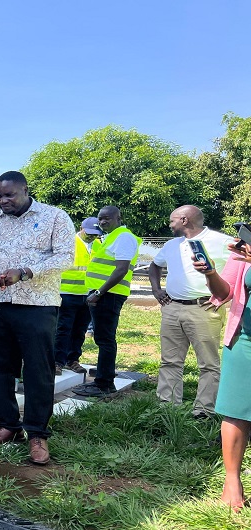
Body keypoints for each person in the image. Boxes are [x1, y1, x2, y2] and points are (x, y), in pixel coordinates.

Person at [0, 171, 75, 465]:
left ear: (25, 190)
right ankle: (7, 426)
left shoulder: (54, 216)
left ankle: (37, 433)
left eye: (9, 195)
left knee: (38, 371)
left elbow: (66, 256)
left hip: (37, 305)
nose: (3, 201)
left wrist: (26, 272)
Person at [149, 205, 233, 418]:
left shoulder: (221, 242)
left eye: (172, 220)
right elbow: (154, 266)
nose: (170, 225)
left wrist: (225, 296)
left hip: (204, 308)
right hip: (172, 308)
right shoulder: (171, 245)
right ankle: (167, 407)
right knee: (170, 361)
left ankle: (204, 410)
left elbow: (242, 269)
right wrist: (157, 290)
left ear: (184, 220)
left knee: (208, 364)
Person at [193, 235, 251, 511]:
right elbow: (225, 292)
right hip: (245, 341)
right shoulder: (244, 252)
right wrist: (210, 272)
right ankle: (232, 481)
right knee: (237, 410)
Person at [72, 206, 140, 397]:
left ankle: (103, 384)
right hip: (104, 294)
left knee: (105, 339)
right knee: (103, 339)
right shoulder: (111, 237)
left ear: (119, 218)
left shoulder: (123, 237)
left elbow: (121, 269)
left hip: (109, 295)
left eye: (107, 218)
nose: (102, 222)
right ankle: (104, 381)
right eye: (100, 219)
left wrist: (99, 292)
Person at [54, 217, 102, 375]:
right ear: (81, 228)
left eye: (95, 234)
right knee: (63, 329)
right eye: (89, 233)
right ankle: (57, 361)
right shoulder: (69, 242)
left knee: (80, 330)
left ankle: (72, 360)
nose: (92, 236)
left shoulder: (98, 244)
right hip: (68, 293)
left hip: (88, 294)